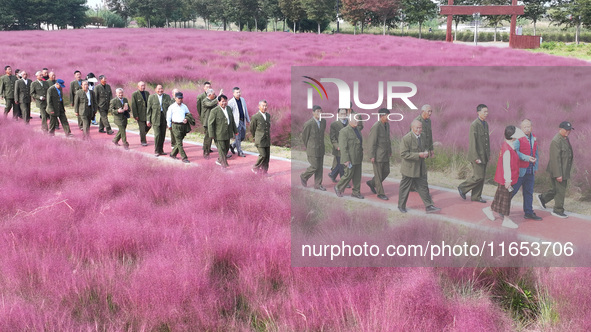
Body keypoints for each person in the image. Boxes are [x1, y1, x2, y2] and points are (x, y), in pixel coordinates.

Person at [482, 126, 523, 228]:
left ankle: (489, 210)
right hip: (506, 179)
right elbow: (506, 166)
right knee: (506, 199)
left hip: (505, 178)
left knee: (500, 196)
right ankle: (506, 220)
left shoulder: (508, 146)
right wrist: (508, 180)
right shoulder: (507, 149)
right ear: (513, 137)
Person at [398, 120, 441, 213]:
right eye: (417, 128)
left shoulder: (423, 136)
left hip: (421, 168)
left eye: (420, 127)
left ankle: (429, 206)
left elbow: (425, 146)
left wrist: (426, 152)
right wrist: (418, 155)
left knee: (423, 187)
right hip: (409, 169)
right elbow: (403, 154)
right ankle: (401, 206)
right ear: (412, 128)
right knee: (405, 188)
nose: (419, 130)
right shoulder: (406, 138)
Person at [538, 121, 575, 219]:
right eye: (566, 130)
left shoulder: (565, 138)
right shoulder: (556, 141)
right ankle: (558, 210)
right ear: (560, 129)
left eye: (569, 130)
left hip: (563, 169)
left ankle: (543, 198)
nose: (568, 131)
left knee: (556, 189)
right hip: (558, 170)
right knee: (561, 190)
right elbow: (555, 159)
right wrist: (558, 174)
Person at [458, 104, 490, 203]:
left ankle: (476, 196)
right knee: (478, 176)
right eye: (484, 112)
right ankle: (462, 188)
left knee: (482, 177)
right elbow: (472, 142)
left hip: (484, 155)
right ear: (478, 112)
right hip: (477, 155)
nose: (486, 114)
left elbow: (486, 141)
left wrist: (488, 154)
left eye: (487, 112)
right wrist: (476, 157)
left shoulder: (486, 124)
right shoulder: (474, 125)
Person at [511, 119, 542, 221]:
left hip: (530, 171)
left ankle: (528, 212)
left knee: (529, 192)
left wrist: (535, 167)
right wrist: (526, 157)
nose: (527, 128)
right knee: (512, 191)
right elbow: (514, 152)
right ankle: (501, 209)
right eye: (525, 127)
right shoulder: (518, 138)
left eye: (529, 126)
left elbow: (536, 153)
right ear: (521, 128)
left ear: (531, 127)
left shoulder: (533, 138)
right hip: (520, 171)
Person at [334, 118, 364, 199]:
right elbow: (343, 147)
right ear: (349, 120)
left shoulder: (357, 129)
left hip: (358, 157)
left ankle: (356, 192)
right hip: (350, 158)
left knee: (357, 176)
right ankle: (338, 187)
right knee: (348, 174)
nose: (357, 121)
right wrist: (346, 160)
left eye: (357, 120)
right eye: (355, 120)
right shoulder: (344, 131)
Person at [367, 108, 392, 200]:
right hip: (377, 155)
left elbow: (388, 139)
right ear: (381, 116)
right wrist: (371, 155)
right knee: (378, 175)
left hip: (385, 154)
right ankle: (380, 193)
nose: (389, 117)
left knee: (386, 171)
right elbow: (371, 142)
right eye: (387, 115)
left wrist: (390, 150)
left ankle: (372, 183)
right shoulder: (376, 126)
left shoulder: (387, 125)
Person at [300, 105, 326, 191]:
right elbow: (304, 137)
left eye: (320, 111)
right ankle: (304, 176)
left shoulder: (323, 122)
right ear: (313, 112)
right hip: (312, 149)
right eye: (317, 111)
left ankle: (318, 184)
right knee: (315, 166)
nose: (319, 113)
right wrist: (309, 147)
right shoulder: (309, 124)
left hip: (321, 149)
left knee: (320, 167)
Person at [208, 94, 238, 168]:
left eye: (225, 101)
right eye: (222, 101)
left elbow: (232, 121)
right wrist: (211, 135)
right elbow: (210, 123)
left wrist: (235, 131)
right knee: (221, 150)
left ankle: (219, 160)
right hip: (219, 134)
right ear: (218, 102)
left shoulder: (228, 109)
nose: (224, 103)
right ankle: (224, 166)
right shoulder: (214, 111)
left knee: (226, 149)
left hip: (227, 133)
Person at [146, 85, 173, 157]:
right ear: (155, 89)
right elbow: (149, 109)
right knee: (157, 134)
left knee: (162, 134)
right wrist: (148, 120)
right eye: (158, 89)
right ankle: (156, 150)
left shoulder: (167, 97)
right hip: (155, 118)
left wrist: (170, 119)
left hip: (164, 118)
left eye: (161, 88)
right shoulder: (151, 97)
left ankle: (161, 150)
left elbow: (170, 108)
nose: (160, 90)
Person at [167, 92, 191, 163]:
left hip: (183, 126)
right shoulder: (171, 107)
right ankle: (184, 157)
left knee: (179, 142)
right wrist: (169, 125)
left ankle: (173, 154)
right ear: (175, 98)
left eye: (181, 98)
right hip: (175, 125)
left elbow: (188, 114)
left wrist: (186, 118)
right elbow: (168, 117)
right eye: (178, 98)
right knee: (179, 143)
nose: (180, 100)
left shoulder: (184, 106)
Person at [250, 100, 271, 175]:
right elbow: (252, 129)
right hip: (260, 140)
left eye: (266, 106)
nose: (264, 107)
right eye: (263, 106)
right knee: (263, 155)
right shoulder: (255, 117)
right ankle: (255, 167)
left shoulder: (268, 115)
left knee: (267, 157)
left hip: (267, 139)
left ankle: (264, 172)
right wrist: (255, 137)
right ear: (259, 106)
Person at [228, 87, 250, 157]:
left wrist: (248, 120)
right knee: (238, 137)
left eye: (239, 92)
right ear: (233, 93)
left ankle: (233, 145)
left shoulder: (242, 99)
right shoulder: (230, 102)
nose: (239, 93)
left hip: (242, 120)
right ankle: (239, 152)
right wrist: (231, 123)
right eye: (237, 92)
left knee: (242, 137)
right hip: (236, 122)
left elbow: (245, 110)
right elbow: (229, 113)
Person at [328, 108, 348, 183]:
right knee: (342, 165)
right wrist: (337, 146)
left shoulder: (349, 123)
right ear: (338, 114)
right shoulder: (334, 124)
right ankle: (343, 181)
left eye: (345, 114)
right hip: (339, 149)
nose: (343, 115)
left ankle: (333, 174)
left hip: (347, 148)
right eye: (341, 113)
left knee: (341, 164)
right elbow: (332, 138)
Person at [130, 81, 150, 146]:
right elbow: (134, 105)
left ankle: (142, 134)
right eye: (141, 86)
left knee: (149, 126)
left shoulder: (147, 93)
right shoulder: (135, 94)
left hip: (147, 114)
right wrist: (135, 115)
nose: (143, 87)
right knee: (142, 128)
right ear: (138, 87)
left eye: (144, 85)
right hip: (140, 114)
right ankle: (143, 141)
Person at [200, 88, 218, 159]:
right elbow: (210, 104)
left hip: (214, 122)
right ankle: (206, 153)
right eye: (214, 94)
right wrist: (218, 98)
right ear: (209, 95)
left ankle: (223, 153)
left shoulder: (213, 100)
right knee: (208, 139)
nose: (215, 95)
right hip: (208, 123)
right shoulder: (205, 101)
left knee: (218, 138)